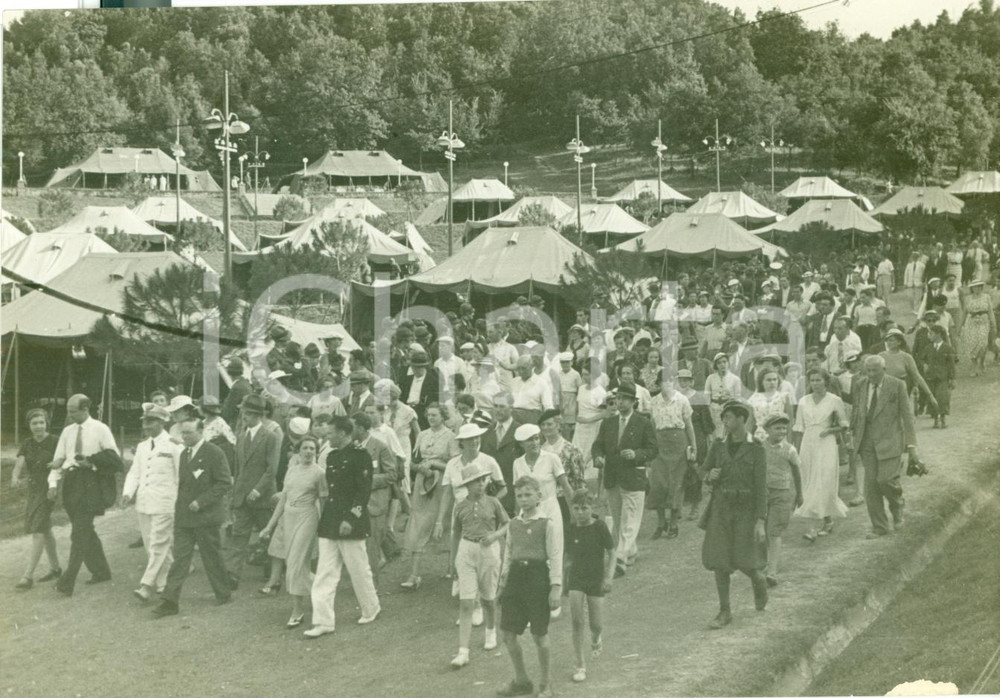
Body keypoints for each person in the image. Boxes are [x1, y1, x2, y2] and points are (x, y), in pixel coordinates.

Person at [304, 415, 381, 638]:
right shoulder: (332, 457)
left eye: (330, 433)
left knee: (358, 569)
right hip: (330, 520)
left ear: (343, 433)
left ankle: (371, 607)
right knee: (324, 573)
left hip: (350, 522)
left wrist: (351, 518)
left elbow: (362, 492)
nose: (327, 437)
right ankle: (323, 621)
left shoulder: (361, 457)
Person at [152, 418, 234, 617]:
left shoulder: (214, 453)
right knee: (180, 559)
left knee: (211, 557)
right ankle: (169, 601)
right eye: (183, 433)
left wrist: (202, 501)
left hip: (205, 517)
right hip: (185, 518)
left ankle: (223, 592)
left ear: (201, 431)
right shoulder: (183, 454)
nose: (185, 437)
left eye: (189, 432)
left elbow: (224, 483)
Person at [699, 400, 768, 629]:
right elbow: (704, 471)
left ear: (741, 419)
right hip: (721, 509)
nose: (725, 422)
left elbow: (761, 488)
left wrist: (760, 520)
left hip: (745, 511)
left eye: (728, 417)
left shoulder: (757, 448)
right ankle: (724, 611)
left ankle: (759, 581)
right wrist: (711, 475)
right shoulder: (718, 446)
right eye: (723, 418)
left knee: (744, 560)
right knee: (720, 560)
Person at [496, 476, 563, 698]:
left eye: (528, 495)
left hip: (537, 580)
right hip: (515, 579)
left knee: (539, 635)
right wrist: (502, 584)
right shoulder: (513, 524)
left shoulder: (547, 523)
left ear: (538, 496)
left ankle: (546, 683)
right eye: (520, 495)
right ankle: (521, 680)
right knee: (507, 634)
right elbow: (507, 556)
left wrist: (555, 586)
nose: (524, 500)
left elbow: (555, 556)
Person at [47, 394, 120, 596]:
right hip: (71, 484)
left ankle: (67, 581)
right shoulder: (67, 432)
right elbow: (59, 459)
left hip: (91, 484)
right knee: (85, 530)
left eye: (73, 411)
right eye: (68, 410)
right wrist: (53, 483)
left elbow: (115, 459)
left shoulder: (101, 429)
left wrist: (93, 463)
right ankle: (102, 571)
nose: (69, 415)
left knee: (79, 532)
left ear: (85, 409)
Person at [259, 436, 328, 628]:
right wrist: (269, 527)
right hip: (289, 519)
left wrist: (324, 528)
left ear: (316, 452)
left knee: (296, 564)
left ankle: (297, 611)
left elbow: (323, 501)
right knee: (294, 564)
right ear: (298, 451)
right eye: (305, 448)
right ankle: (325, 588)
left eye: (312, 449)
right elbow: (283, 500)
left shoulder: (319, 473)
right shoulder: (291, 470)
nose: (308, 452)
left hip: (307, 518)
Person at [591, 382, 658, 578]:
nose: (620, 402)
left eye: (624, 399)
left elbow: (653, 450)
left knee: (631, 519)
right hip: (612, 477)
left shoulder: (643, 422)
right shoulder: (608, 423)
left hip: (634, 477)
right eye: (617, 399)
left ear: (633, 402)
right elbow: (598, 445)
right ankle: (631, 550)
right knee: (619, 519)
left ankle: (619, 558)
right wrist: (598, 457)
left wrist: (637, 454)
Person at [850, 355, 918, 539]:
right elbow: (858, 410)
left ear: (884, 369)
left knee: (886, 480)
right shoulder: (860, 384)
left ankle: (897, 505)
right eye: (868, 370)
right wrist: (853, 435)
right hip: (866, 442)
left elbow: (907, 416)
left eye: (875, 370)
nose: (871, 374)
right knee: (870, 486)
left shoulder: (897, 385)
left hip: (890, 441)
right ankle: (879, 526)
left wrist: (911, 446)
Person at [450, 462, 510, 669]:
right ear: (467, 485)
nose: (480, 484)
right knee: (466, 602)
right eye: (476, 481)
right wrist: (453, 561)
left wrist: (494, 535)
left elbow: (507, 523)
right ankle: (463, 651)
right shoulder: (460, 506)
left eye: (483, 480)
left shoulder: (493, 502)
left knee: (488, 599)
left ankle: (491, 631)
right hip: (466, 550)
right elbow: (456, 533)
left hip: (489, 552)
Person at [122, 405, 182, 601]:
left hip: (166, 502)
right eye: (144, 421)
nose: (146, 425)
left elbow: (182, 475)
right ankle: (165, 583)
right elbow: (135, 473)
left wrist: (181, 500)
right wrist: (128, 492)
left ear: (162, 422)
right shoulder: (142, 446)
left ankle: (146, 585)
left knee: (158, 543)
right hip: (144, 502)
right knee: (152, 545)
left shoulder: (174, 445)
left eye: (150, 421)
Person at [224, 394, 281, 589]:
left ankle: (273, 571)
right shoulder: (241, 437)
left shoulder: (270, 437)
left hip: (263, 498)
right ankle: (232, 574)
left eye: (245, 414)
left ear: (255, 414)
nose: (242, 417)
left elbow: (271, 469)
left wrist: (258, 489)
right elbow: (239, 469)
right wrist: (235, 495)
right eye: (242, 413)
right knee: (239, 536)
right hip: (242, 497)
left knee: (267, 536)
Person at [401, 404, 458, 589]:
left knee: (446, 523)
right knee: (419, 522)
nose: (431, 418)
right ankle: (414, 574)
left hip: (442, 483)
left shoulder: (450, 436)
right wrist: (420, 468)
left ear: (443, 416)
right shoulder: (422, 435)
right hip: (422, 482)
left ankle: (453, 569)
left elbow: (454, 463)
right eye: (429, 415)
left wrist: (434, 464)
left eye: (435, 415)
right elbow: (414, 461)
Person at [565, 490, 615, 684]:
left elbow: (612, 552)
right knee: (576, 622)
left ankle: (596, 638)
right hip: (576, 579)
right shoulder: (570, 529)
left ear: (591, 508)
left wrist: (608, 577)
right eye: (576, 508)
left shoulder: (600, 527)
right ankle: (579, 664)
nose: (580, 512)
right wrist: (561, 579)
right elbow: (567, 557)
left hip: (595, 579)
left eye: (584, 508)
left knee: (596, 624)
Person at [793, 368, 849, 541]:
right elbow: (798, 427)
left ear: (826, 381)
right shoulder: (803, 400)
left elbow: (844, 424)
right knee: (810, 482)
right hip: (808, 444)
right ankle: (827, 520)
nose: (815, 384)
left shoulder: (835, 400)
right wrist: (795, 451)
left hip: (826, 444)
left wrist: (830, 430)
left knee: (823, 481)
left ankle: (812, 529)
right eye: (812, 380)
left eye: (819, 380)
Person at [11, 409, 61, 590]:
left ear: (46, 422)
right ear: (29, 426)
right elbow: (19, 463)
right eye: (34, 423)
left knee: (38, 530)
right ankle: (56, 568)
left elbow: (61, 461)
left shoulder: (55, 441)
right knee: (45, 528)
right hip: (33, 490)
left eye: (41, 422)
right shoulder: (27, 443)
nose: (38, 426)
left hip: (49, 488)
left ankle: (28, 576)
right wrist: (15, 477)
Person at [352, 412, 401, 584]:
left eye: (352, 426)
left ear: (360, 427)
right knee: (357, 546)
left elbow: (391, 475)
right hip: (355, 503)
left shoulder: (379, 447)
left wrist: (367, 481)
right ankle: (361, 583)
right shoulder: (351, 447)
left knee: (371, 547)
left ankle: (371, 587)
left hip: (374, 504)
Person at [646, 376, 697, 540]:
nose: (667, 384)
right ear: (659, 384)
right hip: (660, 444)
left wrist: (693, 446)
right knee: (658, 484)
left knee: (676, 484)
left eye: (670, 381)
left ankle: (674, 523)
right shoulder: (653, 401)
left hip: (678, 444)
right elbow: (652, 425)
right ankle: (661, 523)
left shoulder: (682, 400)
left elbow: (689, 425)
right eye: (664, 381)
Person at [760, 414, 803, 588]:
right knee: (763, 532)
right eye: (777, 428)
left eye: (784, 428)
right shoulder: (760, 448)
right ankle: (767, 563)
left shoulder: (790, 450)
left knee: (774, 531)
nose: (782, 431)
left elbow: (797, 473)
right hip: (763, 494)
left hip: (782, 494)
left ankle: (771, 572)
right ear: (767, 430)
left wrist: (800, 494)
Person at [512, 424, 573, 539]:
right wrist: (517, 515)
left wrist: (572, 511)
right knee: (531, 548)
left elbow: (566, 486)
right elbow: (517, 492)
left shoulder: (552, 458)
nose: (535, 443)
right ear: (521, 444)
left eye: (536, 438)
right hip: (527, 511)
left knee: (554, 546)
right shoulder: (517, 463)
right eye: (529, 440)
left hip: (550, 508)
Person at [480, 392, 523, 516]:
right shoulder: (487, 432)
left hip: (514, 494)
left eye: (502, 406)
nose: (498, 410)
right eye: (495, 406)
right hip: (491, 496)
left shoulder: (520, 432)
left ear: (511, 408)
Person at [917, 325, 956, 429]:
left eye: (931, 334)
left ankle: (943, 419)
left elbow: (951, 365)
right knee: (932, 398)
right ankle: (935, 420)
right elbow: (921, 359)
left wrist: (952, 379)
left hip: (943, 377)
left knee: (943, 398)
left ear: (938, 334)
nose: (928, 336)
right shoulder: (928, 348)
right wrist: (924, 364)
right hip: (930, 377)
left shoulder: (948, 348)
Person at [747, 368, 793, 442]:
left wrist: (790, 442)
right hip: (759, 436)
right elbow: (750, 424)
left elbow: (790, 422)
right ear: (762, 382)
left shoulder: (784, 397)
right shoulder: (753, 399)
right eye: (768, 380)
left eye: (775, 379)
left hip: (779, 436)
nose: (772, 382)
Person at [399, 350, 442, 429]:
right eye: (414, 367)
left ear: (424, 366)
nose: (416, 370)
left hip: (423, 415)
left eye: (419, 367)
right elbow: (402, 398)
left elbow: (437, 399)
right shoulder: (406, 380)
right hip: (407, 413)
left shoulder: (433, 381)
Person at [962, 280, 996, 375]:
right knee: (972, 344)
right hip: (971, 322)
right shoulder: (967, 298)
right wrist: (961, 326)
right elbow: (964, 312)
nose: (977, 288)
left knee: (983, 344)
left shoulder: (986, 297)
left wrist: (993, 324)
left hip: (984, 322)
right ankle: (974, 365)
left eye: (979, 286)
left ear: (982, 287)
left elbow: (990, 312)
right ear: (972, 288)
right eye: (975, 287)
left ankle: (981, 362)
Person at [705, 353, 742, 438]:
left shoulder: (735, 379)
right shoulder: (710, 378)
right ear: (715, 365)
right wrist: (708, 409)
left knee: (727, 434)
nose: (722, 365)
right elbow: (707, 395)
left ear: (728, 363)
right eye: (719, 363)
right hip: (713, 409)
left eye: (724, 362)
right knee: (715, 434)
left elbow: (737, 398)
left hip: (728, 409)